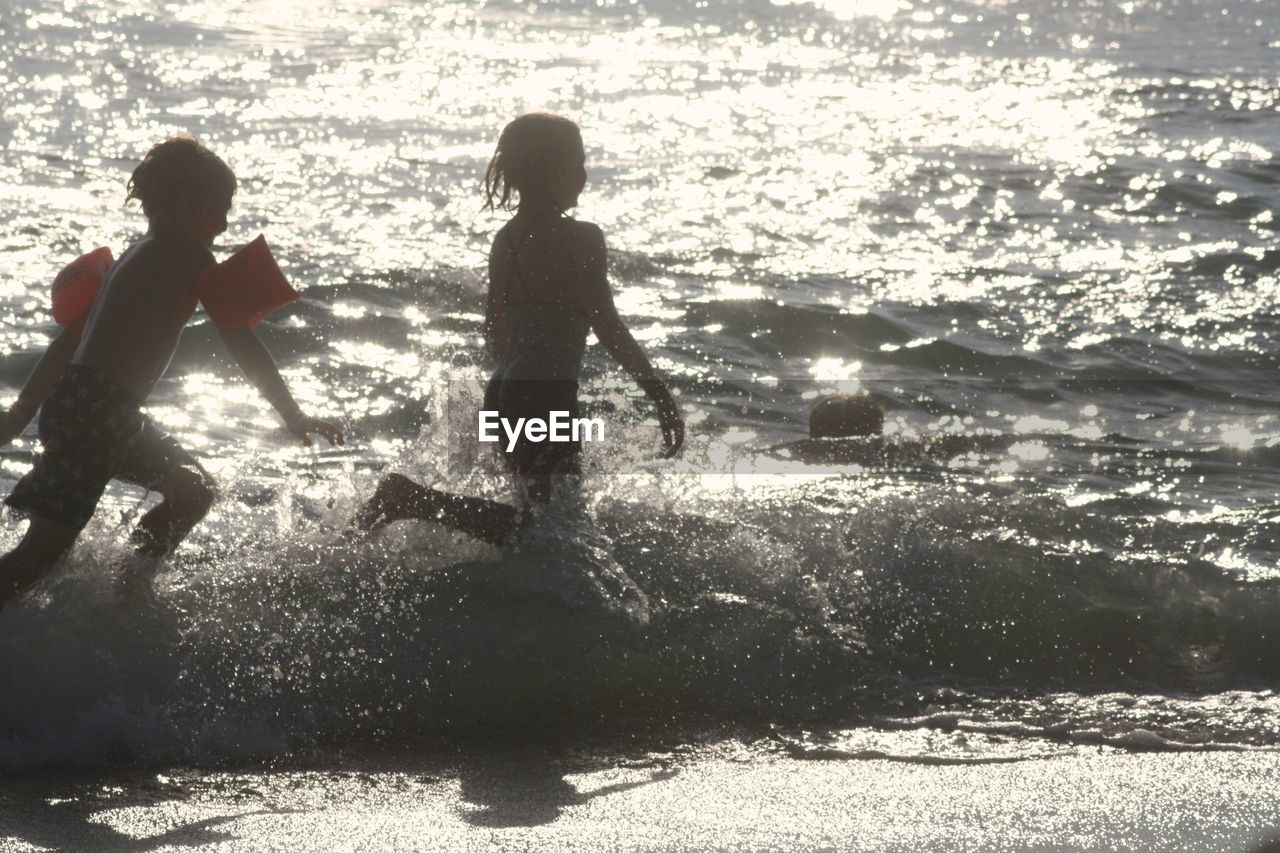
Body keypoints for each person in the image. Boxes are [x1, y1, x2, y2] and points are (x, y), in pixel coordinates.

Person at [0, 135, 343, 608]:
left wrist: (20, 414)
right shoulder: (190, 257)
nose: (225, 223)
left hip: (93, 407)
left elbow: (68, 341)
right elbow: (241, 340)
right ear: (189, 204)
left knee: (193, 491)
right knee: (40, 556)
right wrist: (293, 416)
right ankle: (127, 587)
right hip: (97, 412)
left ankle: (129, 588)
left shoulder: (134, 255)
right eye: (222, 208)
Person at [353, 112, 683, 545]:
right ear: (557, 168)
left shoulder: (505, 240)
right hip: (544, 393)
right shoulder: (582, 237)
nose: (584, 175)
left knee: (543, 527)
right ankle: (406, 498)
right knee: (548, 532)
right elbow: (607, 322)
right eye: (580, 162)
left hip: (505, 391)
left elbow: (495, 335)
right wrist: (657, 392)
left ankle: (413, 502)